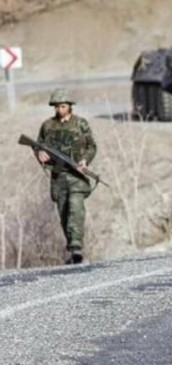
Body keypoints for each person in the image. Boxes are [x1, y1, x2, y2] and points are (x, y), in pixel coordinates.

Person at [35, 88, 97, 264]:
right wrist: (39, 153)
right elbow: (37, 144)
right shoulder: (47, 126)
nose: (59, 110)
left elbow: (92, 146)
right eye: (56, 107)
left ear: (70, 106)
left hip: (76, 175)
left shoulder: (80, 124)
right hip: (58, 176)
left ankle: (77, 247)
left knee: (75, 208)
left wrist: (85, 160)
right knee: (63, 213)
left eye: (62, 106)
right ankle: (72, 249)